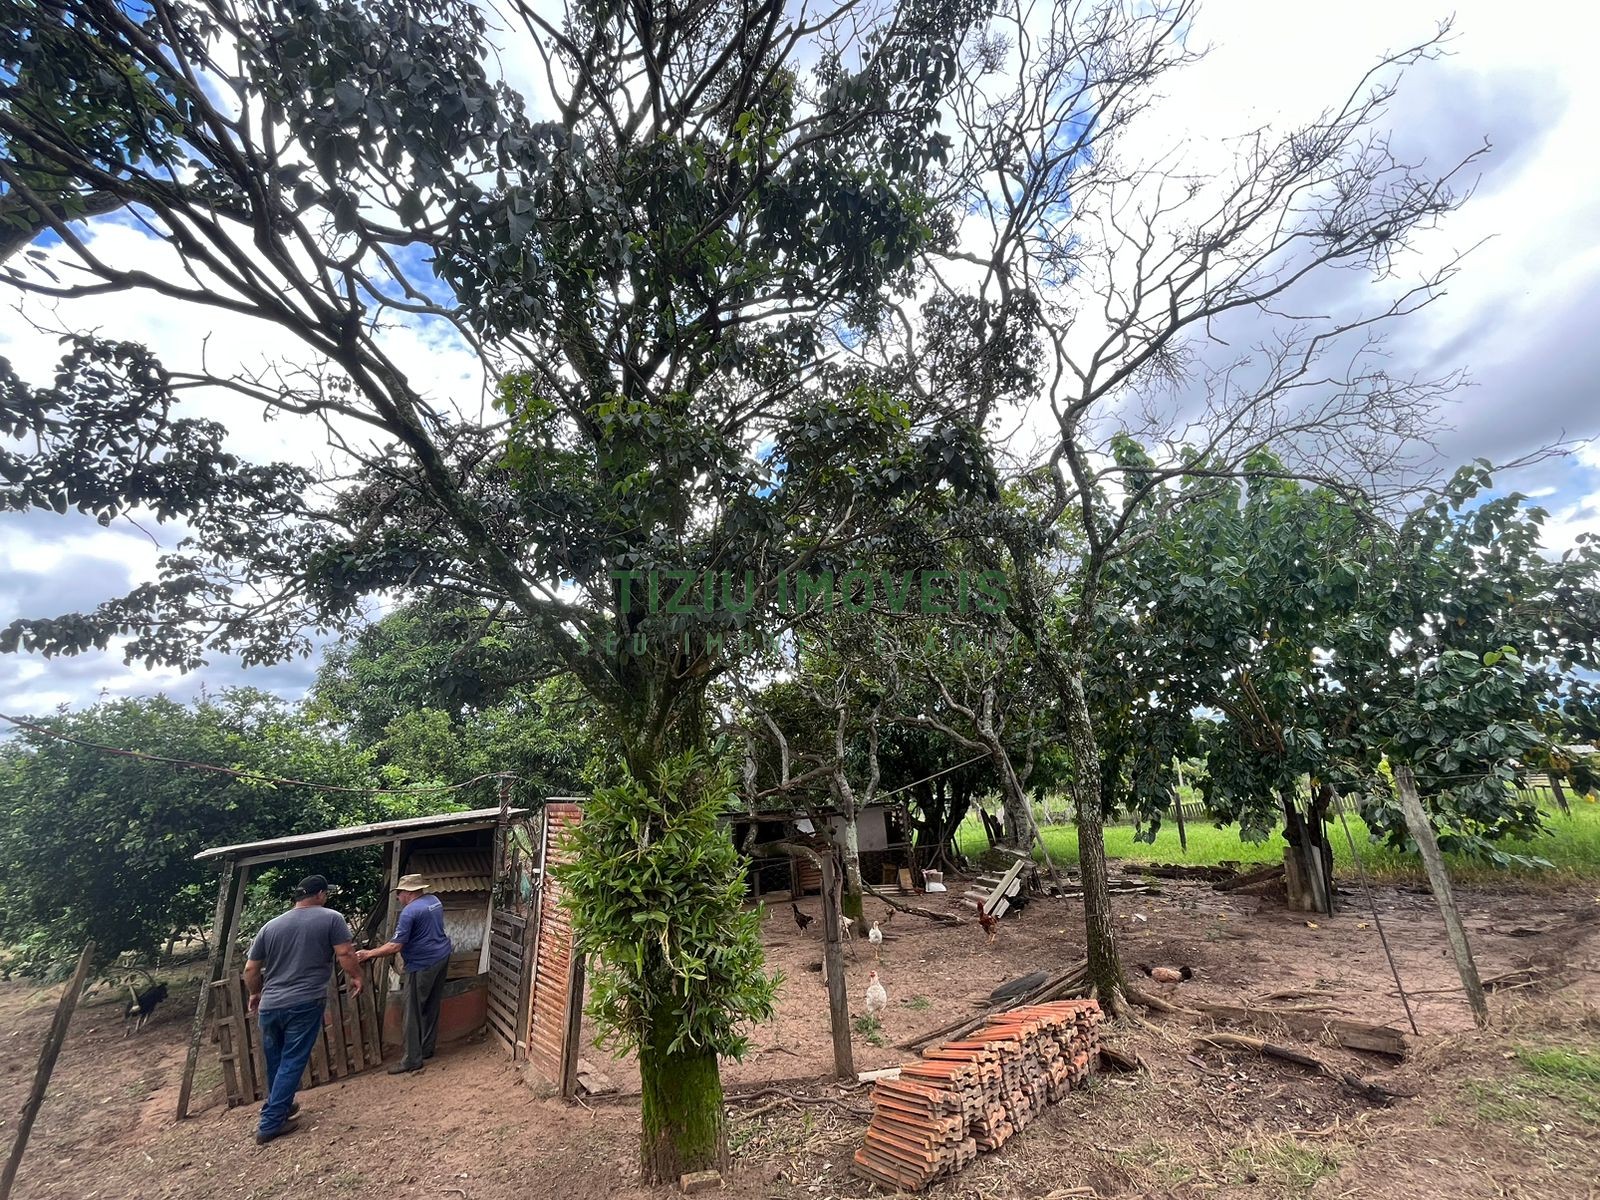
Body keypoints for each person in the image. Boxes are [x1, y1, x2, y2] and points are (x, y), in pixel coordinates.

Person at [243, 874, 364, 1145]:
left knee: (275, 1060)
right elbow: (345, 953)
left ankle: (282, 1108)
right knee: (293, 1060)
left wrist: (254, 993)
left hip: (271, 1006)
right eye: (326, 894)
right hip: (304, 1002)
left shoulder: (270, 926)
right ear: (320, 894)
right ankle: (270, 1123)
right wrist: (357, 975)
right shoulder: (331, 918)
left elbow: (251, 968)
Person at [356, 872, 453, 1075]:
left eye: (399, 893)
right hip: (441, 956)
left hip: (422, 964)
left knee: (412, 1012)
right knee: (431, 1005)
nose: (398, 897)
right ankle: (426, 1048)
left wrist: (369, 954)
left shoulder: (410, 912)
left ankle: (411, 1059)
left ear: (407, 893)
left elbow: (395, 945)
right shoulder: (434, 901)